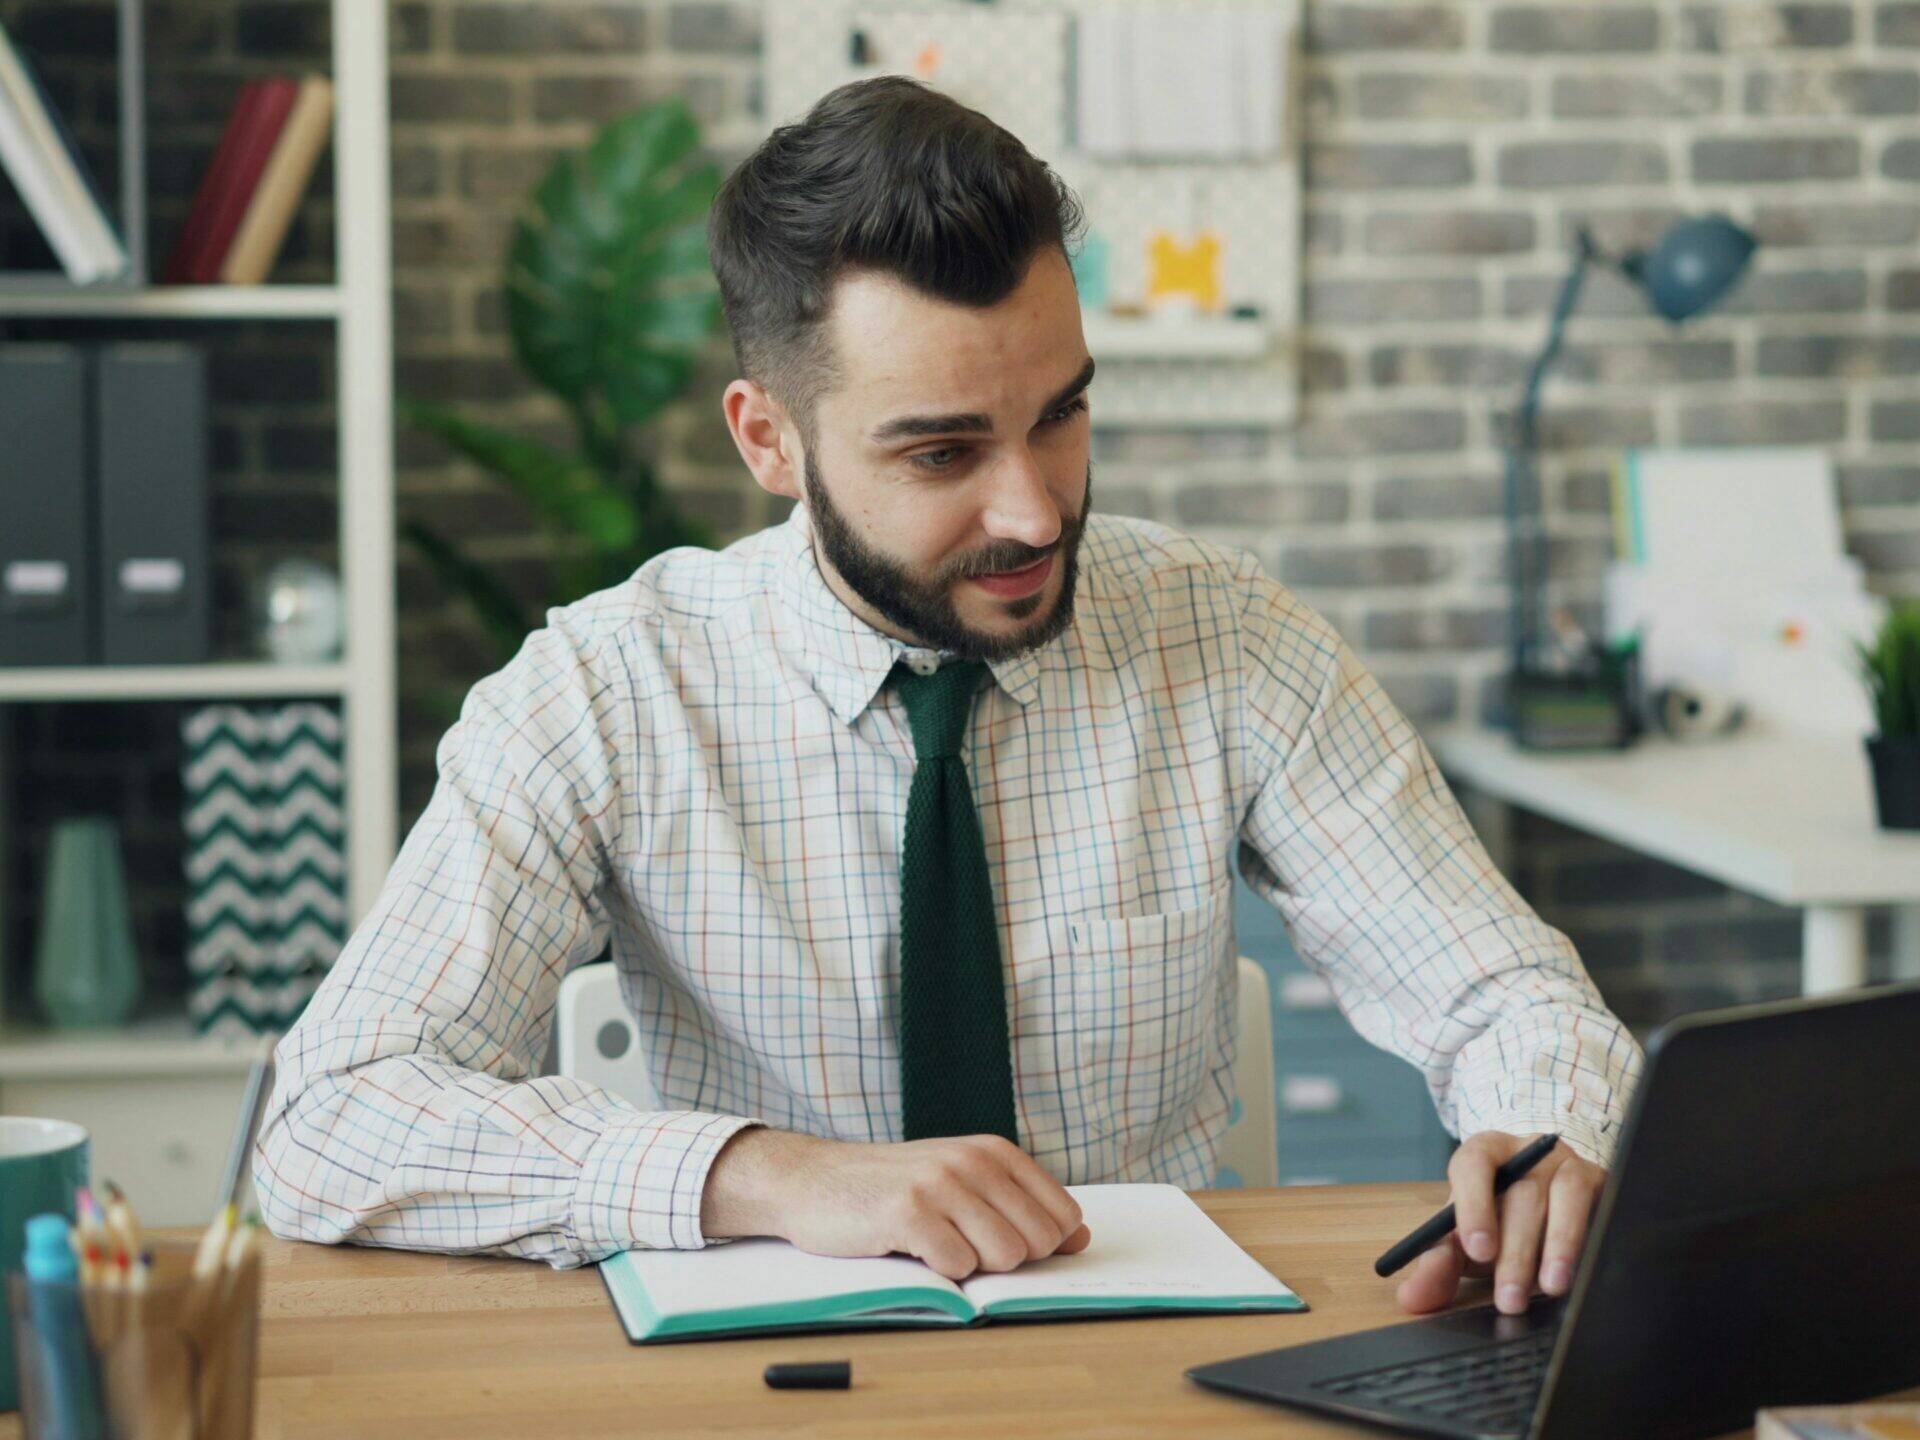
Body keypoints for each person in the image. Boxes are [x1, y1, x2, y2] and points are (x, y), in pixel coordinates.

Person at [254, 76, 1643, 1320]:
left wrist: (1543, 1135)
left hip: (1152, 1379)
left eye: (1062, 414)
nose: (1035, 509)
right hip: (768, 1393)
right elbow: (328, 1119)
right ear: (769, 440)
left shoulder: (1232, 640)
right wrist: (774, 1176)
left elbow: (1504, 997)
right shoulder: (608, 689)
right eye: (942, 453)